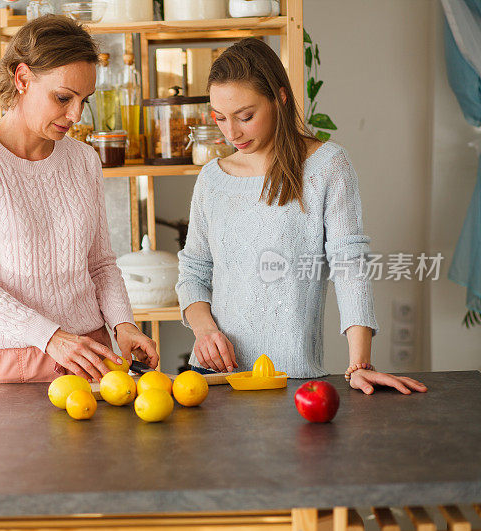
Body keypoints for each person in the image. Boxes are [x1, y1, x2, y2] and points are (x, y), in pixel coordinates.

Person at [176, 38, 427, 395]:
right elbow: (193, 272)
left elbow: (349, 264)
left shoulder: (327, 166)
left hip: (292, 383)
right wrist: (205, 331)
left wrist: (360, 364)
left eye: (245, 116)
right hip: (215, 382)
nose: (231, 133)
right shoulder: (212, 179)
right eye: (220, 118)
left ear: (279, 98)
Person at [0, 15, 158, 384]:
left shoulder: (84, 160)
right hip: (9, 365)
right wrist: (50, 337)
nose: (76, 115)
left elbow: (100, 264)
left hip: (90, 355)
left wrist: (124, 325)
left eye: (84, 100)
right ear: (22, 79)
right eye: (63, 97)